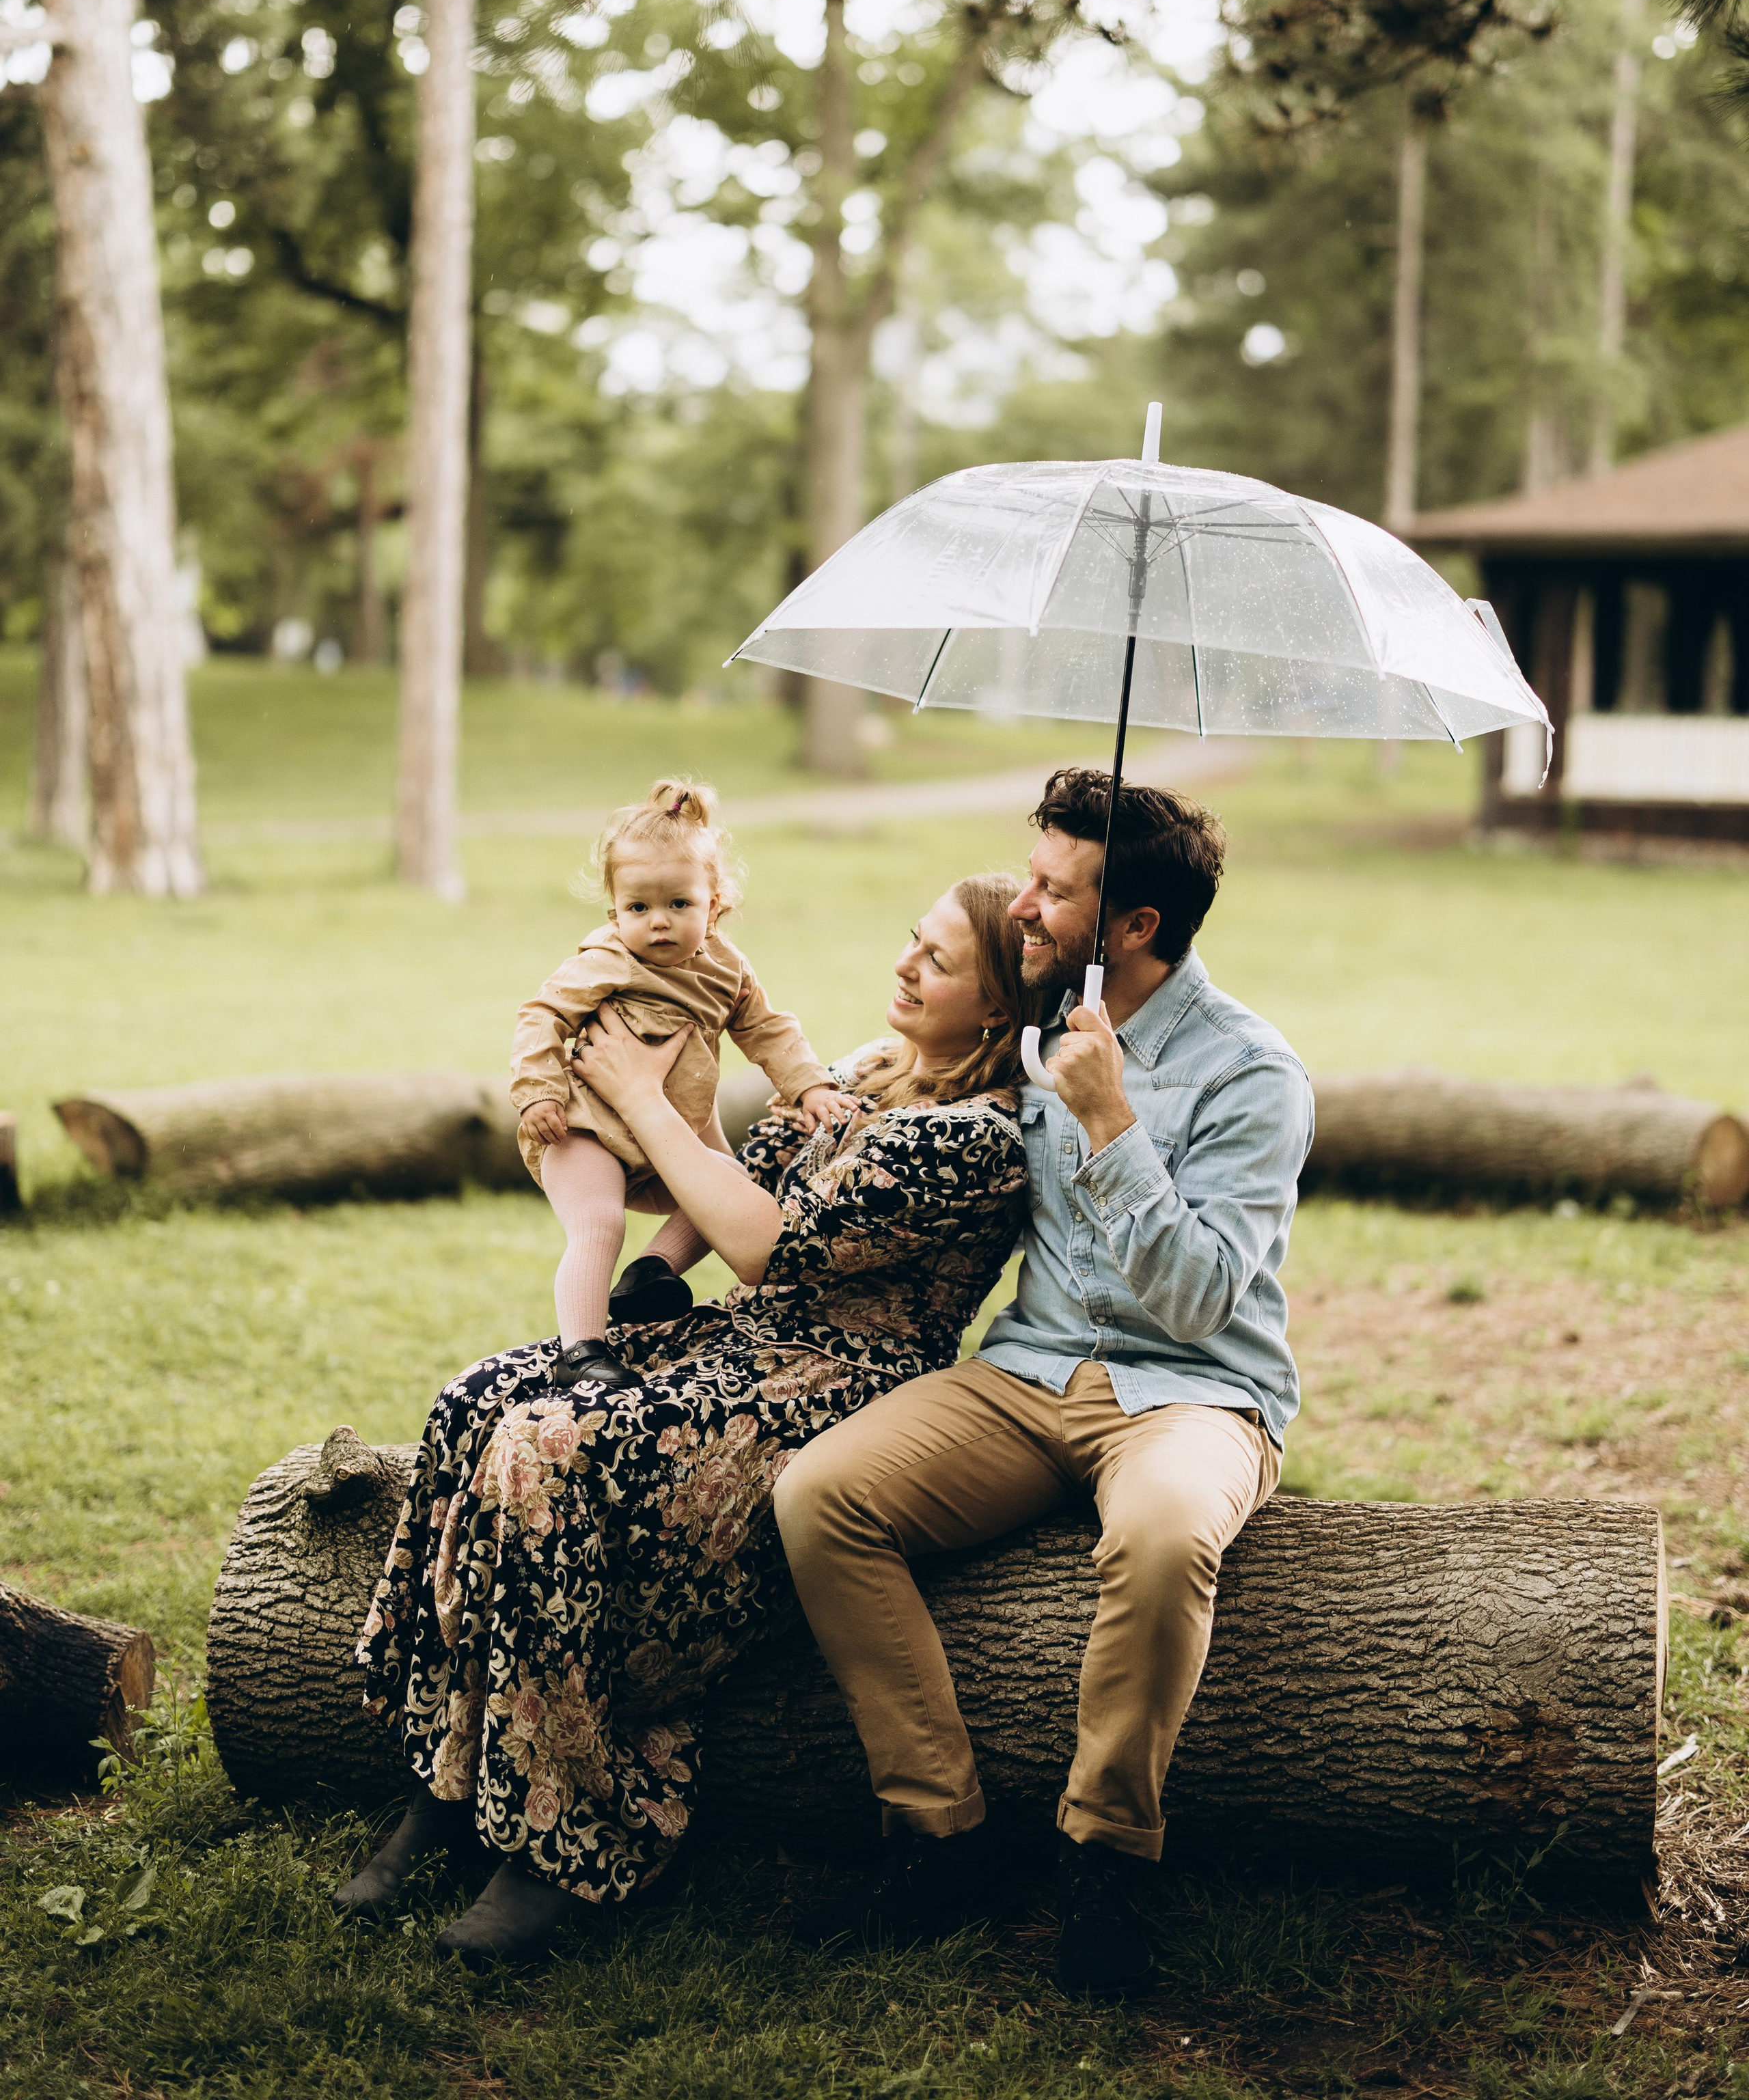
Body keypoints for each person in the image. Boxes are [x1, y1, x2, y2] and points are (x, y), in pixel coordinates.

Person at [338, 874, 1031, 1964]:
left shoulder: (980, 1138)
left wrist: (639, 1089)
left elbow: (768, 1241)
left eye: (939, 961)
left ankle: (569, 1839)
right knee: (483, 1397)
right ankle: (453, 1772)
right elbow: (735, 1178)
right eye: (914, 940)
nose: (905, 963)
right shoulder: (868, 1070)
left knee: (550, 1448)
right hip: (736, 1340)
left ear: (997, 1008)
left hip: (833, 1383)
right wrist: (649, 1276)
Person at [775, 767, 1314, 2000]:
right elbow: (921, 1062)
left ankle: (1105, 1854)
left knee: (1169, 1537)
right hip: (1026, 1371)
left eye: (1054, 890)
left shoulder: (1253, 1074)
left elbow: (1197, 1298)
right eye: (1032, 877)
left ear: (1136, 927)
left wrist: (1113, 1121)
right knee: (822, 1497)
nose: (1024, 906)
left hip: (1197, 1391)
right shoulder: (1034, 1019)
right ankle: (937, 1830)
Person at [510, 777, 853, 1390]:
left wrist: (809, 1087)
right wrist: (539, 1090)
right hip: (584, 1129)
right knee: (599, 1223)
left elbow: (769, 1031)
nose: (658, 923)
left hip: (664, 1135)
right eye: (639, 908)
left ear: (715, 904)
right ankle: (581, 1351)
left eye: (679, 905)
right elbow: (541, 1015)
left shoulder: (727, 968)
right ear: (615, 912)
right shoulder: (609, 959)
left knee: (728, 1186)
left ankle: (652, 1272)